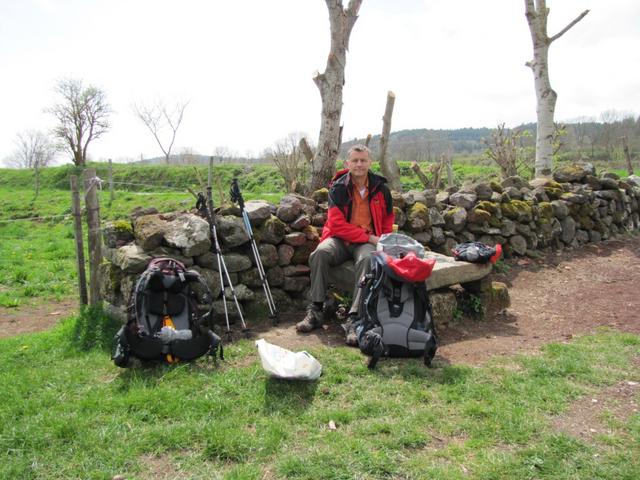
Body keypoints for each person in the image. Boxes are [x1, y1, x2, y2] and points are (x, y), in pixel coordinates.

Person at [296, 144, 395, 344]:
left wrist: (381, 239)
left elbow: (387, 220)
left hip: (366, 243)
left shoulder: (381, 189)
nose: (359, 164)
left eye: (363, 160)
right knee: (319, 254)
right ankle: (316, 310)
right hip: (341, 240)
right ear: (347, 163)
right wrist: (369, 237)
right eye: (355, 160)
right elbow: (337, 225)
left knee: (368, 259)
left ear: (370, 162)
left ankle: (354, 319)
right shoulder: (338, 187)